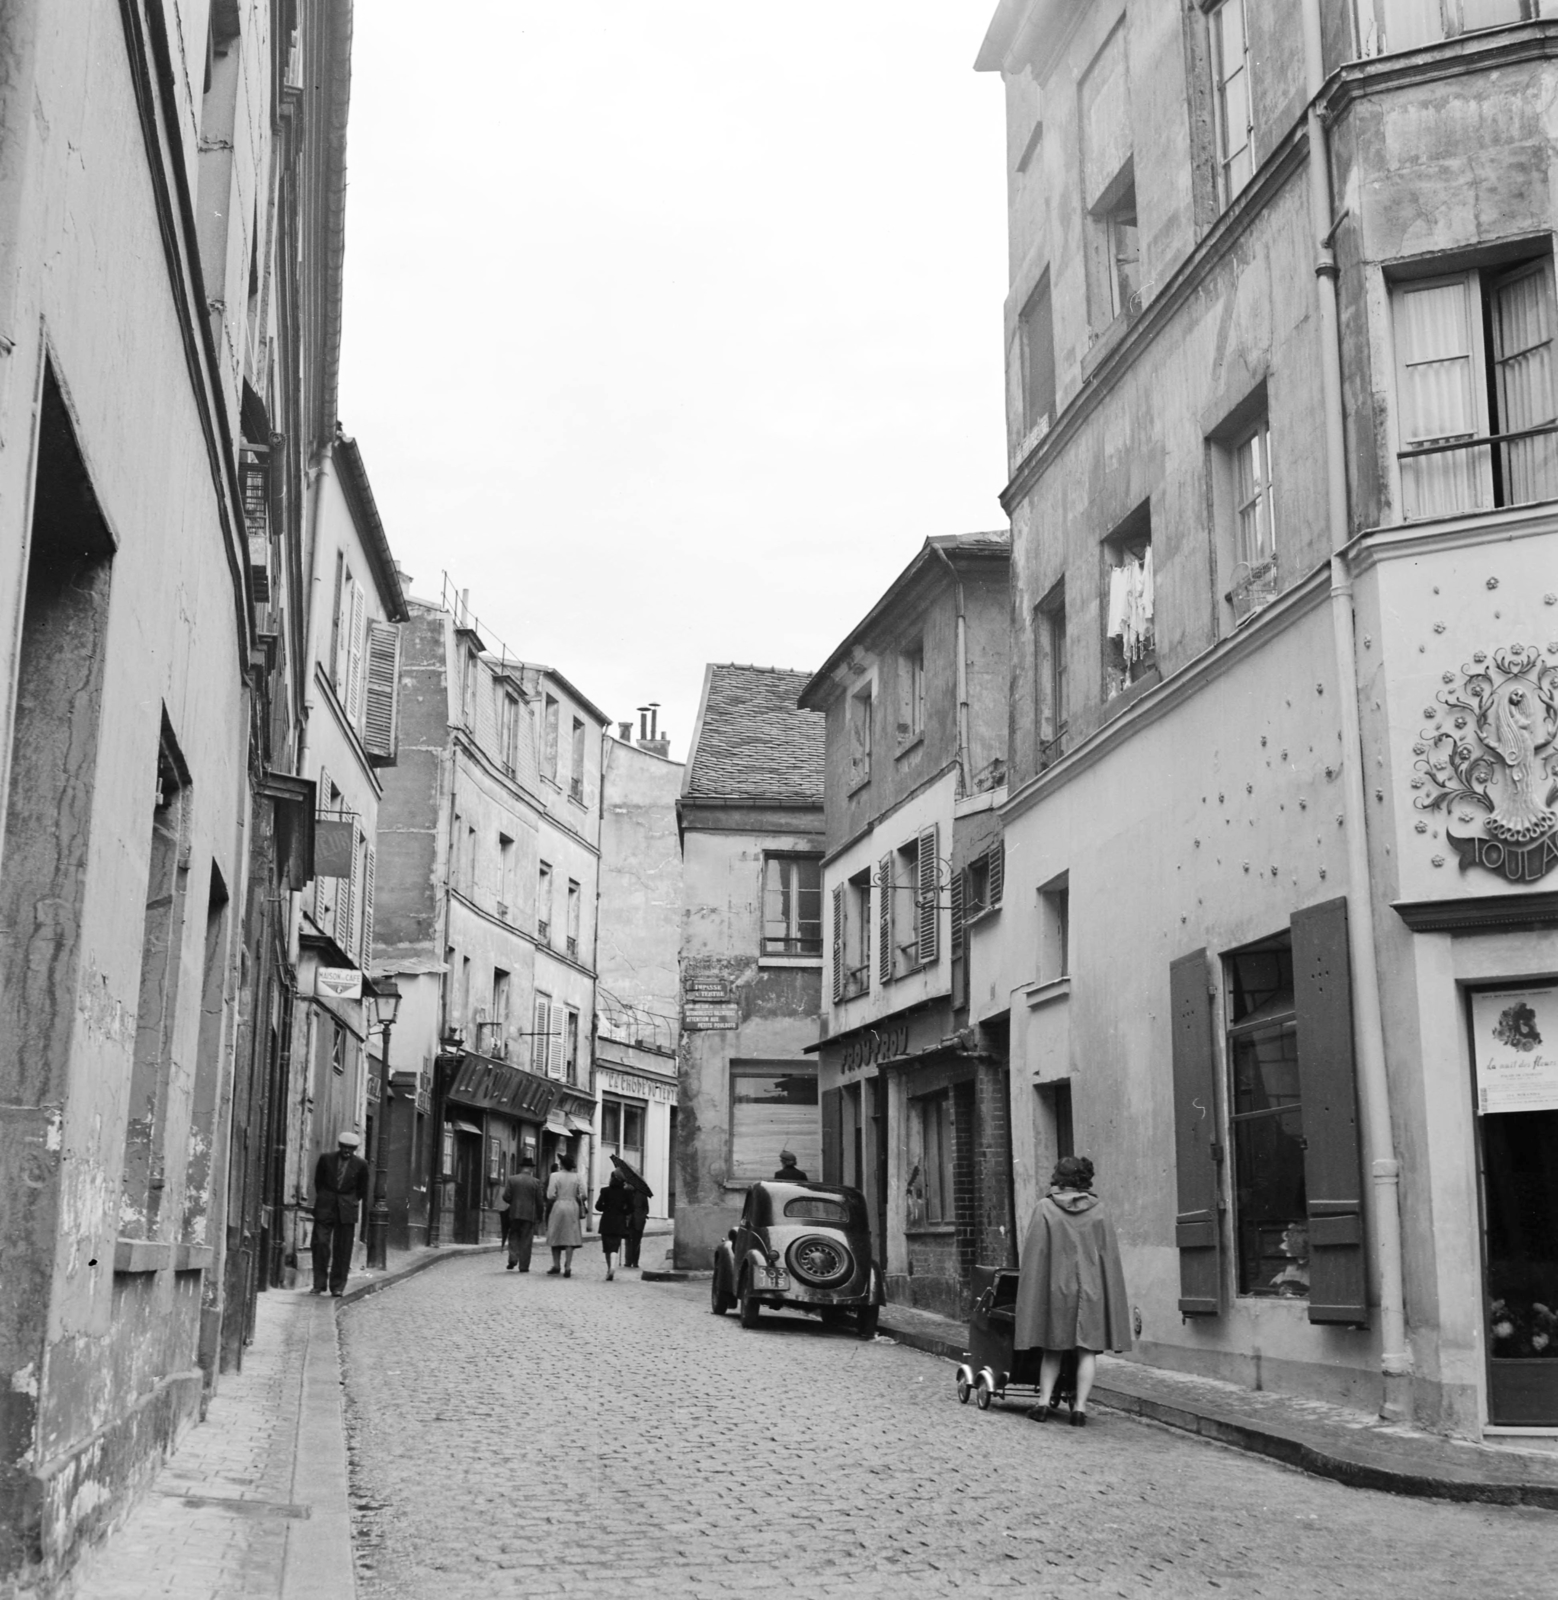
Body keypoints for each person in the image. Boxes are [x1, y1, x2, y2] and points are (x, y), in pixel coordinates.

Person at [1013, 1154, 1131, 1427]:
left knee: (1053, 1349)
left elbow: (1035, 1255)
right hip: (1091, 1289)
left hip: (1057, 1288)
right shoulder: (1100, 1209)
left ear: (1059, 1179)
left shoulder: (1045, 1208)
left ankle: (1042, 1405)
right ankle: (1079, 1409)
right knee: (1087, 1350)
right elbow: (1108, 1257)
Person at [311, 1130, 369, 1298]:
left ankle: (337, 1286)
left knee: (343, 1248)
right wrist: (325, 1198)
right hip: (325, 1207)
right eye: (344, 1147)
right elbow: (318, 1182)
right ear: (339, 1146)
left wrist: (348, 1201)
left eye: (350, 1149)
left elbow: (362, 1190)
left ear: (355, 1149)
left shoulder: (361, 1165)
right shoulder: (326, 1159)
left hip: (346, 1210)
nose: (347, 1151)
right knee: (320, 1243)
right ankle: (318, 1284)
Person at [545, 1152, 587, 1276]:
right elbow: (584, 1194)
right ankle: (568, 1266)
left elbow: (550, 1195)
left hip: (558, 1205)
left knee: (556, 1234)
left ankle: (556, 1264)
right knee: (570, 1236)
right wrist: (577, 1197)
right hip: (572, 1206)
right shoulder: (578, 1177)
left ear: (562, 1164)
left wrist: (556, 1197)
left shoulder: (554, 1176)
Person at [502, 1156, 545, 1272]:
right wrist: (540, 1215)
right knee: (526, 1240)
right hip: (529, 1215)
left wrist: (514, 1201)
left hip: (514, 1213)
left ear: (521, 1167)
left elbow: (506, 1196)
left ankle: (513, 1258)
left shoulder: (512, 1179)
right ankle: (524, 1266)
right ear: (531, 1169)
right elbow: (539, 1202)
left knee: (513, 1235)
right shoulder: (535, 1182)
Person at [595, 1170, 633, 1280]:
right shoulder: (626, 1192)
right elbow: (631, 1208)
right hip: (619, 1221)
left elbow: (598, 1207)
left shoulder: (605, 1191)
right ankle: (612, 1267)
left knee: (607, 1247)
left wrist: (605, 1208)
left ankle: (609, 1269)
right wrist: (623, 1211)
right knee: (615, 1246)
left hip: (606, 1221)